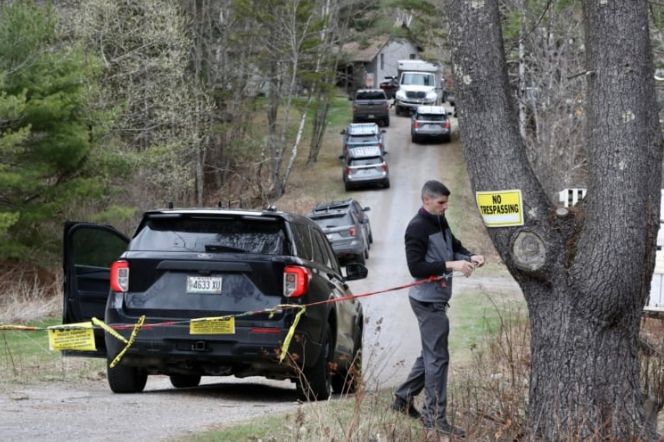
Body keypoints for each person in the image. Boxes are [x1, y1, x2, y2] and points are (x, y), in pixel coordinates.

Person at [392, 180, 485, 439]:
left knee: (430, 355)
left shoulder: (440, 221)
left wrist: (470, 256)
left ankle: (402, 399)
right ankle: (434, 419)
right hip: (426, 301)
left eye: (446, 203)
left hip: (437, 299)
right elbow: (416, 268)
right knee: (438, 359)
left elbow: (454, 245)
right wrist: (452, 265)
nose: (445, 207)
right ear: (427, 201)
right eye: (441, 203)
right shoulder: (417, 228)